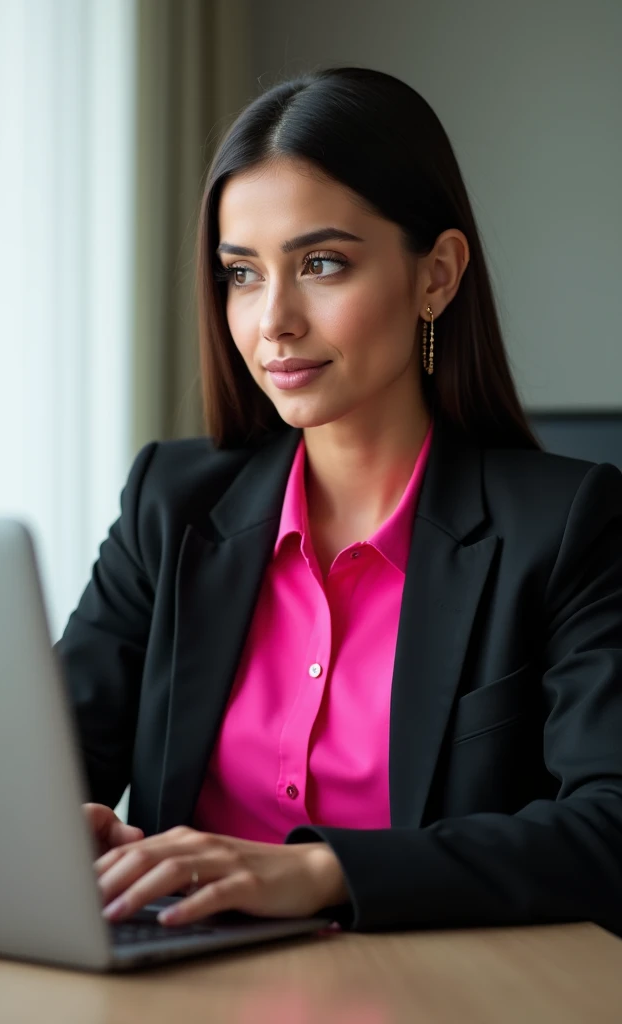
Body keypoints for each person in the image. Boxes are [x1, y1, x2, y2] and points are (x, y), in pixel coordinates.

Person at [55, 66, 622, 934]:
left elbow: (609, 830)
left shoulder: (568, 526)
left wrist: (322, 872)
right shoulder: (169, 506)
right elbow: (50, 765)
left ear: (436, 276)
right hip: (175, 985)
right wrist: (52, 825)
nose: (273, 319)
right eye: (242, 273)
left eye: (321, 264)